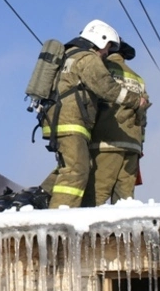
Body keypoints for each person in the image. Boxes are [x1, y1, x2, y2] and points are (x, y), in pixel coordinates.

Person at [39, 20, 148, 208]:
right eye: (107, 47)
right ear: (100, 40)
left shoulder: (70, 56)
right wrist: (136, 101)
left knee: (76, 171)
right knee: (76, 172)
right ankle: (58, 218)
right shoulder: (89, 60)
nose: (106, 53)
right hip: (76, 123)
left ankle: (43, 199)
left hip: (66, 122)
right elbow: (108, 89)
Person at [84, 40, 148, 206]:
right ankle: (121, 233)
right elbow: (143, 116)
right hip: (132, 146)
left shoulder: (102, 69)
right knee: (125, 201)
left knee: (96, 196)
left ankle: (87, 231)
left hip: (107, 142)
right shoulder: (138, 79)